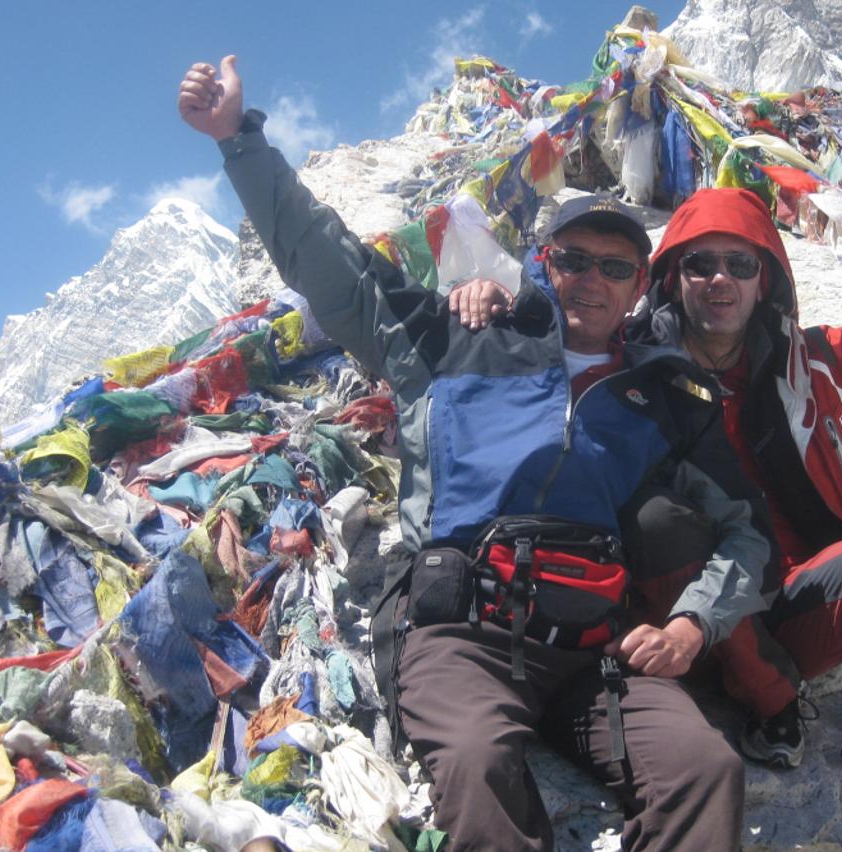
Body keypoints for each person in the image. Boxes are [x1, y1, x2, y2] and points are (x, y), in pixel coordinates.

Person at [179, 57, 775, 851]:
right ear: (543, 263)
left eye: (616, 268)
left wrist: (694, 627)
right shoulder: (458, 339)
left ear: (639, 289)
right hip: (456, 633)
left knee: (706, 769)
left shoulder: (663, 400)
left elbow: (747, 532)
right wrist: (238, 141)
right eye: (573, 260)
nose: (592, 281)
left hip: (591, 653)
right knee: (477, 764)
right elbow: (336, 270)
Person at [453, 180, 842, 793]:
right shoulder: (628, 365)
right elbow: (552, 348)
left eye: (739, 263)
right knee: (663, 517)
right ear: (671, 277)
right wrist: (493, 300)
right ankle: (767, 704)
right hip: (672, 629)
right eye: (699, 263)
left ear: (765, 278)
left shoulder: (821, 365)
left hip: (799, 603)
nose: (719, 279)